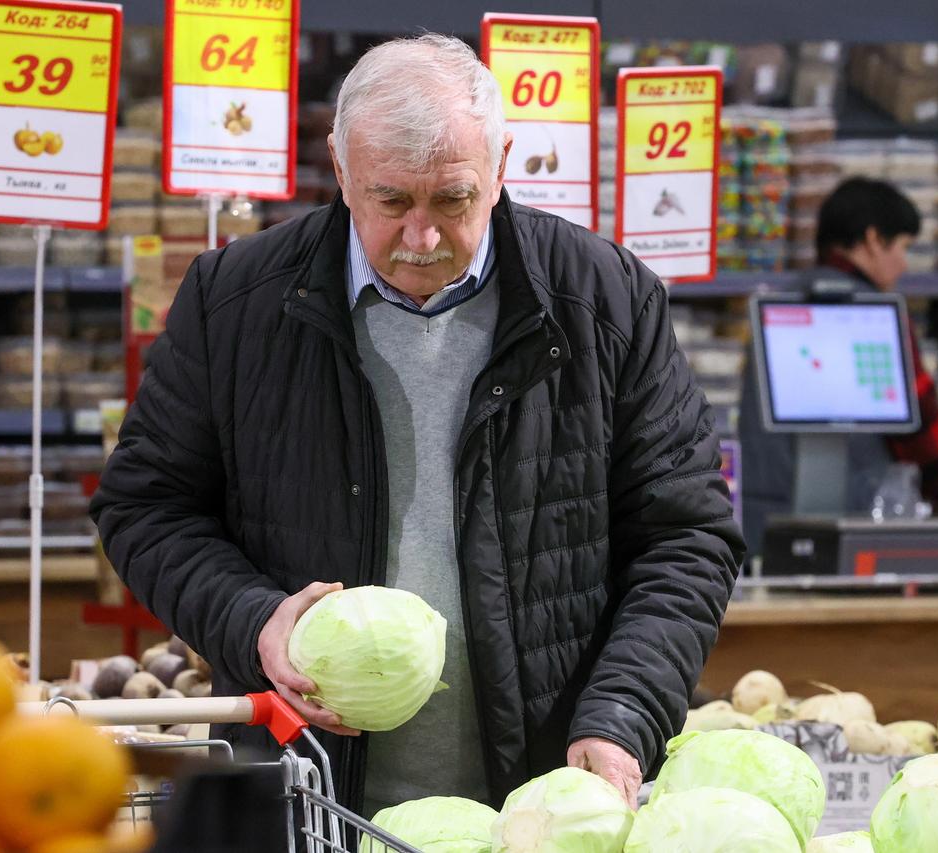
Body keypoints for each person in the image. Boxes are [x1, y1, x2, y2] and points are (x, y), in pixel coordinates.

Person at [91, 34, 743, 817]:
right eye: (391, 200)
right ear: (340, 169)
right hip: (305, 802)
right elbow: (144, 506)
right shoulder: (235, 302)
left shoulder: (606, 300)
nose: (422, 238)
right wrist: (252, 620)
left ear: (502, 163)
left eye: (454, 200)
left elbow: (688, 536)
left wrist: (623, 714)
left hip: (538, 807)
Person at [739, 177, 938, 552]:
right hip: (854, 528)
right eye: (904, 247)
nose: (904, 264)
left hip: (761, 526)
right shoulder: (874, 314)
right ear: (873, 240)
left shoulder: (776, 305)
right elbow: (924, 434)